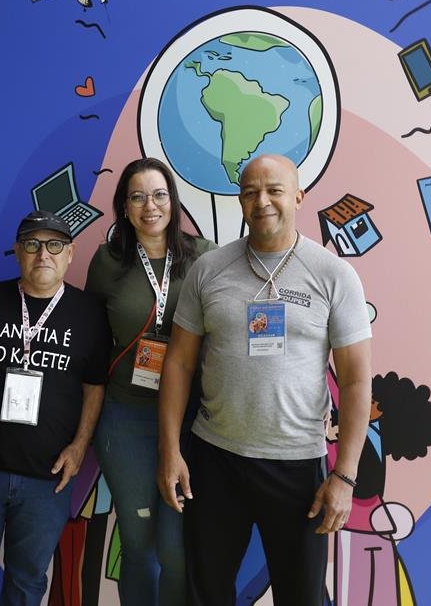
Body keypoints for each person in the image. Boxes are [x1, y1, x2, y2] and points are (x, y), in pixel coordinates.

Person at [156, 154, 373, 606]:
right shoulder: (209, 269)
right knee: (206, 594)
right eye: (251, 192)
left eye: (275, 190)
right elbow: (178, 364)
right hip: (215, 460)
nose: (262, 201)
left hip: (297, 466)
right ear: (240, 200)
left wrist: (345, 477)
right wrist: (170, 451)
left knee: (301, 597)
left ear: (298, 197)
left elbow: (355, 381)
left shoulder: (334, 275)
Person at [0, 210, 111, 606]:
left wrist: (79, 446)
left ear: (70, 253)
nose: (43, 254)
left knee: (28, 582)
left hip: (47, 478)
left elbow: (94, 386)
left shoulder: (89, 315)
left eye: (54, 245)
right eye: (32, 244)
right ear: (17, 252)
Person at [85, 157, 216, 605]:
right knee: (139, 545)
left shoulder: (205, 256)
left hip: (193, 422)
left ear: (173, 201)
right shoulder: (108, 261)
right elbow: (92, 342)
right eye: (137, 197)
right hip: (126, 418)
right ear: (123, 206)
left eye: (159, 195)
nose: (150, 206)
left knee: (177, 551)